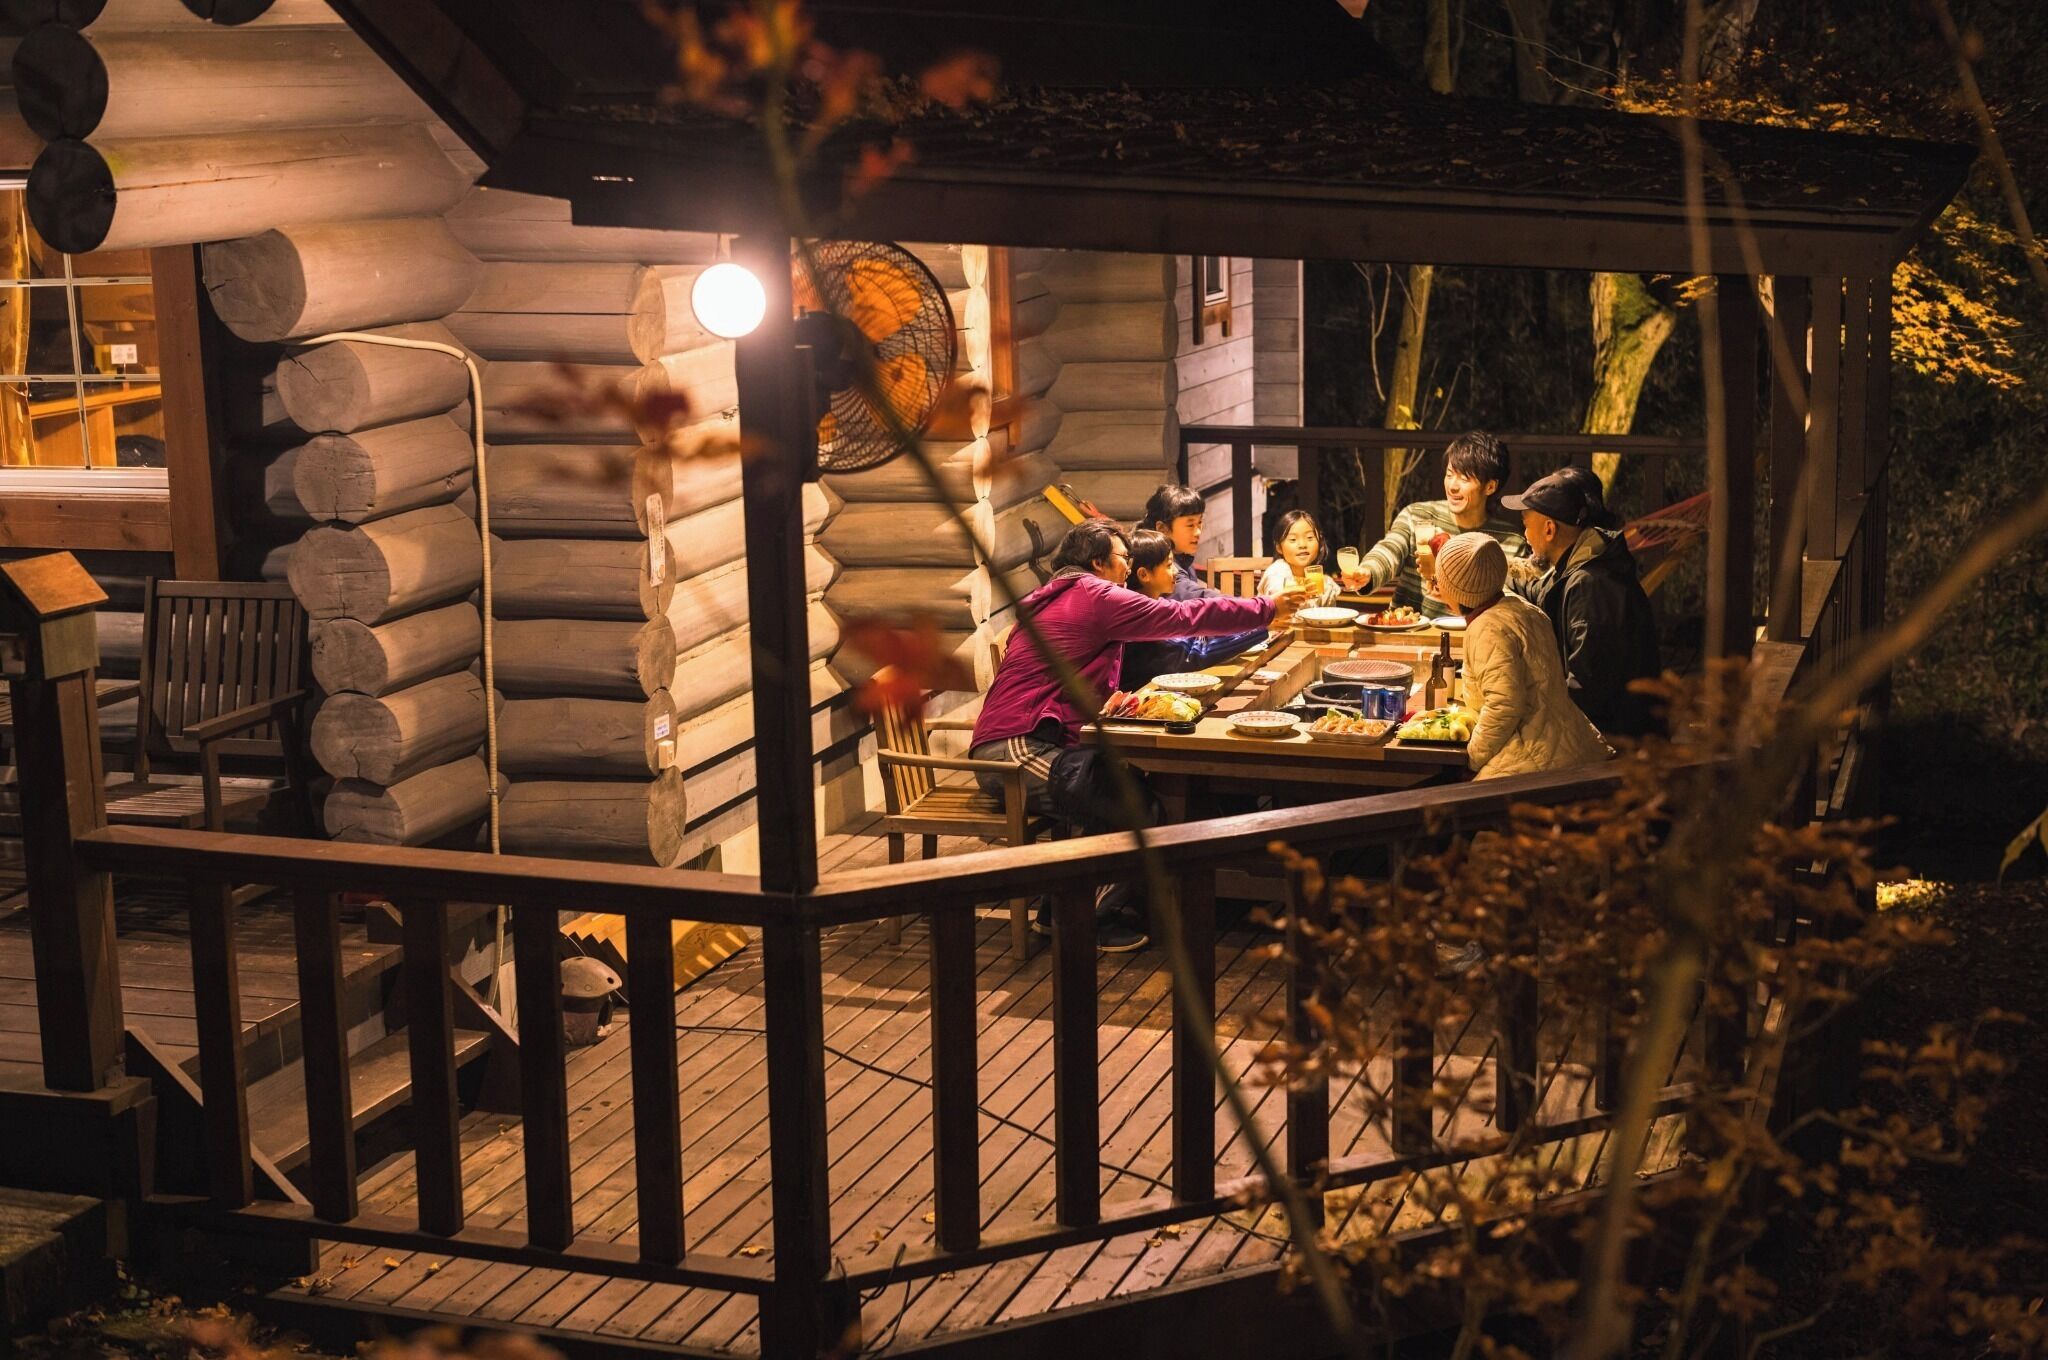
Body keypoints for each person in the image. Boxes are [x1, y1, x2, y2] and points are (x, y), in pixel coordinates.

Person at [969, 520, 1303, 950]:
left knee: (1122, 788)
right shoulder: (1095, 594)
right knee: (1135, 807)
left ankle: (1062, 912)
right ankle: (1082, 918)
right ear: (1097, 563)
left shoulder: (1061, 596)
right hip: (1012, 750)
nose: (1128, 568)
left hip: (1037, 740)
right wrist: (1265, 609)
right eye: (1123, 558)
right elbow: (1182, 616)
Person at [1431, 532, 1609, 781]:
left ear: (1456, 590)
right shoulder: (1523, 608)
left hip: (1533, 761)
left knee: (1441, 800)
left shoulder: (1487, 628)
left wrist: (1471, 759)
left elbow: (1503, 707)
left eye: (1441, 580)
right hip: (1571, 743)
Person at [1502, 468, 1663, 735]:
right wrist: (1480, 575)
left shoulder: (1591, 584)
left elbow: (1586, 690)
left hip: (1616, 742)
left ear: (1549, 529)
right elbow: (1535, 592)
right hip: (1597, 728)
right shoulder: (1574, 565)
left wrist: (1531, 719)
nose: (1525, 535)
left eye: (1526, 524)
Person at [1350, 431, 1530, 616]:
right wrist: (1368, 572)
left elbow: (1509, 603)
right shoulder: (1417, 516)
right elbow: (1390, 549)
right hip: (1410, 631)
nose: (1452, 486)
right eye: (1450, 474)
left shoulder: (1510, 542)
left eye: (1464, 479)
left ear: (1490, 487)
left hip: (1472, 637)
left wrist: (1453, 584)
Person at [1120, 529, 1268, 688]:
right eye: (1169, 565)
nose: (1176, 571)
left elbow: (1195, 637)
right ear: (1144, 575)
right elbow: (1194, 653)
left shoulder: (1159, 603)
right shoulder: (1140, 618)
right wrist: (1261, 622)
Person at [1258, 509, 1345, 607]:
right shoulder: (1277, 573)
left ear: (1320, 542)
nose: (1302, 545)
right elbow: (1278, 607)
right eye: (1293, 539)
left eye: (1310, 538)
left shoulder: (1322, 581)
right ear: (1279, 547)